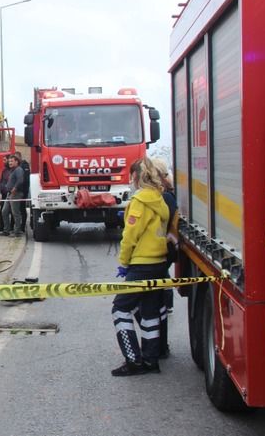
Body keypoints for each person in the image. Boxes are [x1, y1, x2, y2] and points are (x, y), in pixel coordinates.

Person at [111, 157, 169, 376]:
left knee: (120, 308)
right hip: (158, 263)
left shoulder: (140, 200)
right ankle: (150, 359)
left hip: (141, 264)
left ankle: (133, 360)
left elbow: (130, 236)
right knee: (150, 311)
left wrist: (124, 262)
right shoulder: (158, 198)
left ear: (136, 176)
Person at [152, 158, 179, 358]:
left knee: (143, 304)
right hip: (166, 250)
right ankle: (161, 347)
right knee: (158, 298)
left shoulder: (162, 198)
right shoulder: (168, 195)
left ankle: (156, 350)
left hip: (160, 251)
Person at [1, 155, 24, 237]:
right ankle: (6, 230)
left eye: (11, 161)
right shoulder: (12, 170)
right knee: (4, 211)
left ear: (16, 162)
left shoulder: (18, 170)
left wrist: (15, 188)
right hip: (10, 194)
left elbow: (20, 180)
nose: (9, 163)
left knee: (15, 213)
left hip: (15, 194)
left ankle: (17, 231)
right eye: (9, 161)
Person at [0, 155, 12, 232]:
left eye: (5, 160)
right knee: (2, 210)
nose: (4, 161)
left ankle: (10, 228)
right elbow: (1, 181)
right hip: (3, 194)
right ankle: (2, 226)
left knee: (10, 212)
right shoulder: (4, 170)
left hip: (9, 193)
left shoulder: (12, 171)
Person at [15, 151, 30, 233]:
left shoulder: (25, 165)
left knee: (22, 209)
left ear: (20, 157)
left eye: (17, 158)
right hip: (18, 191)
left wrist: (24, 191)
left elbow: (26, 180)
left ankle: (23, 226)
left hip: (23, 191)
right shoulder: (17, 166)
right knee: (17, 209)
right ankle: (17, 226)